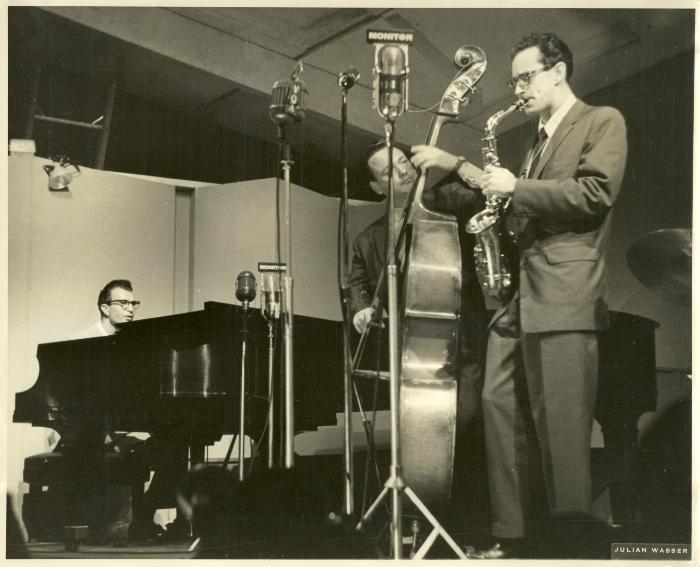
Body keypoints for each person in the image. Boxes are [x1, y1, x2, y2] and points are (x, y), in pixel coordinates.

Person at [419, 33, 628, 558]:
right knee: (497, 406)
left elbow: (594, 194)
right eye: (514, 79)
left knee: (562, 433)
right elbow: (513, 202)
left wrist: (514, 187)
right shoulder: (535, 143)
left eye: (525, 76)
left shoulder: (602, 121)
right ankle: (512, 540)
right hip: (520, 299)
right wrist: (461, 171)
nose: (518, 89)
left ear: (558, 72)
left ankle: (570, 548)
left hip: (563, 295)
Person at [348, 139, 489, 529]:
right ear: (377, 188)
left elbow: (487, 190)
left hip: (462, 347)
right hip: (410, 358)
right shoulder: (368, 239)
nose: (405, 170)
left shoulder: (448, 200)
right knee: (420, 450)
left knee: (466, 434)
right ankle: (427, 527)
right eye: (389, 170)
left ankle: (471, 531)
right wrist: (362, 309)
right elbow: (358, 281)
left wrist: (455, 161)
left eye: (404, 161)